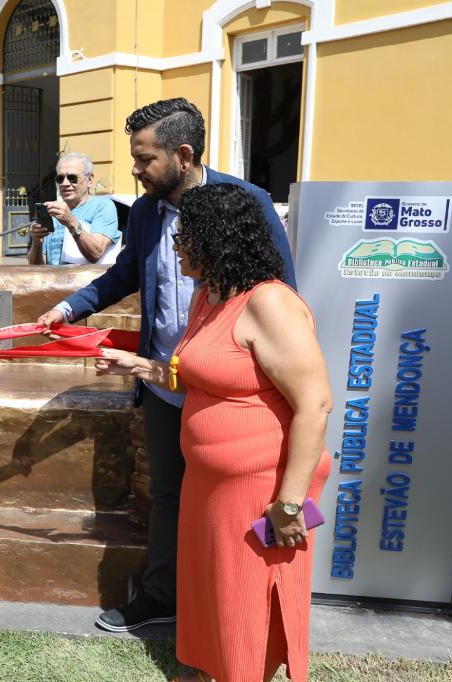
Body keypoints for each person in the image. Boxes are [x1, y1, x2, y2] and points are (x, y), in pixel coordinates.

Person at [37, 98, 296, 632]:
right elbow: (123, 274)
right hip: (163, 383)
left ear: (182, 154)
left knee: (232, 496)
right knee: (169, 496)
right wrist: (68, 309)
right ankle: (162, 596)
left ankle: (235, 602)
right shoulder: (150, 210)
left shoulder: (245, 203)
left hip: (228, 389)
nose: (134, 169)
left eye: (144, 158)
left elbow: (282, 292)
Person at [94, 183, 331, 682]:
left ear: (219, 239)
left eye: (186, 237)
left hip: (260, 485)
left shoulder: (268, 304)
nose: (176, 246)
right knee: (212, 584)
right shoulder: (211, 295)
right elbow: (198, 372)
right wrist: (139, 366)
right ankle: (214, 669)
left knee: (246, 590)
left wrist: (288, 504)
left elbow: (315, 404)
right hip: (209, 481)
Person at [27, 152, 121, 265]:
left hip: (87, 282)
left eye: (72, 178)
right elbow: (36, 267)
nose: (65, 183)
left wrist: (71, 221)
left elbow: (96, 253)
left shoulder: (103, 206)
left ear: (89, 179)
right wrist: (37, 243)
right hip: (53, 281)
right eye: (60, 178)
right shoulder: (53, 211)